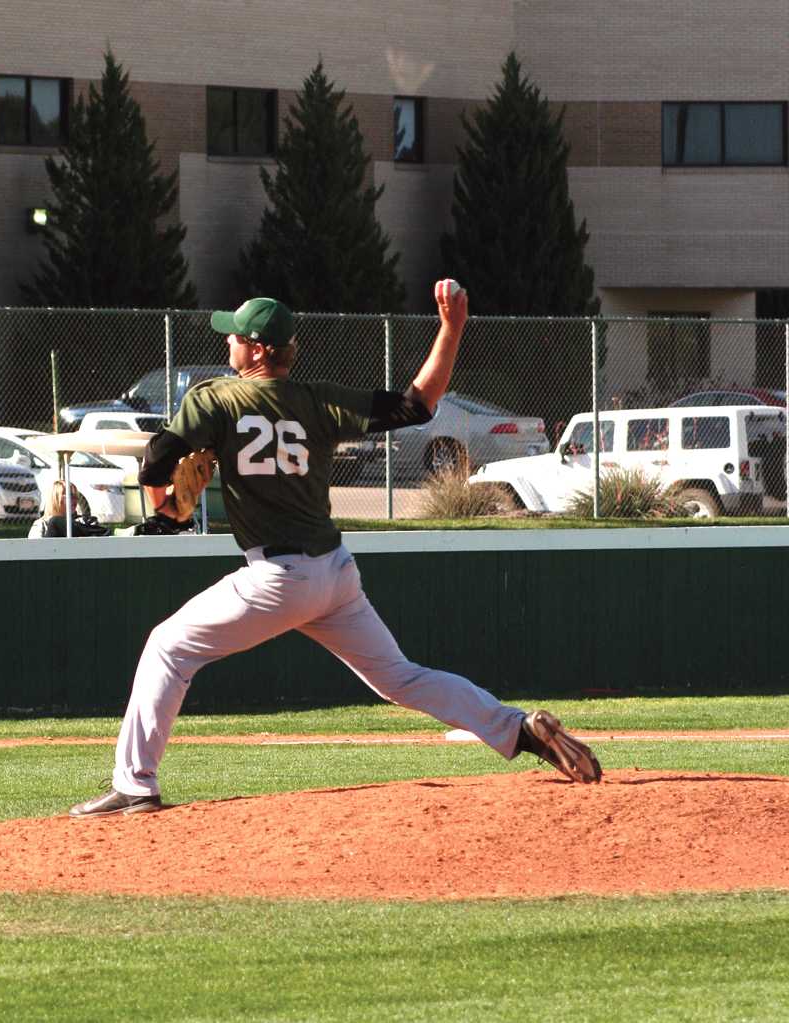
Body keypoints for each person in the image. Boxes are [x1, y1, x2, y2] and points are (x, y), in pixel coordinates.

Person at [69, 286, 602, 818]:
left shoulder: (217, 398)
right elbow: (418, 404)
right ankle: (518, 729)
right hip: (334, 574)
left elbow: (156, 461)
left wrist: (166, 512)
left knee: (167, 647)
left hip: (276, 578)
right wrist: (452, 328)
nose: (228, 340)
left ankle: (135, 785)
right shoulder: (317, 401)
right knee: (401, 678)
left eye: (235, 335)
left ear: (256, 350)